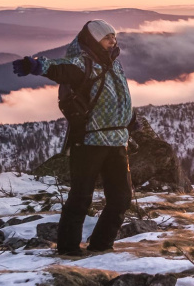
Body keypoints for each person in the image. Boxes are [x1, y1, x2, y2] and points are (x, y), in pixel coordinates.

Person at [12, 19, 138, 256]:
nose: (113, 41)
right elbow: (60, 68)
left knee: (121, 198)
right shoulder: (82, 63)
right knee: (80, 198)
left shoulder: (114, 64)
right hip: (89, 141)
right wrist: (36, 66)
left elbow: (120, 94)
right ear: (93, 39)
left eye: (113, 37)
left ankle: (102, 246)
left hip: (117, 140)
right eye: (107, 37)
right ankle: (68, 250)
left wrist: (130, 120)